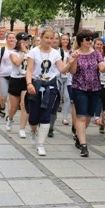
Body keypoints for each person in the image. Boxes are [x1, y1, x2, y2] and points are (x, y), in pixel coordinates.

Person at [26, 27, 68, 156]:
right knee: (33, 117)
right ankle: (33, 132)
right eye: (47, 38)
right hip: (36, 85)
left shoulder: (55, 53)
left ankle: (41, 144)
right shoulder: (33, 52)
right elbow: (29, 69)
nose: (49, 40)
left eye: (52, 38)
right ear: (42, 37)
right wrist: (29, 83)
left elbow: (62, 69)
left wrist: (71, 62)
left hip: (50, 87)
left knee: (46, 115)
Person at [68, 29, 105, 157]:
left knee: (89, 115)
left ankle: (79, 136)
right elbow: (73, 71)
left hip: (95, 88)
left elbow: (102, 69)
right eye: (87, 39)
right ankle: (84, 146)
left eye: (91, 39)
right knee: (81, 116)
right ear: (80, 41)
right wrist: (73, 60)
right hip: (79, 88)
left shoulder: (96, 54)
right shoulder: (75, 53)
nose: (90, 41)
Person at [6, 32, 30, 137]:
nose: (26, 42)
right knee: (14, 107)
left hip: (25, 79)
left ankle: (22, 128)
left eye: (27, 40)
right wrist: (23, 53)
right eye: (23, 40)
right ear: (19, 41)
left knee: (24, 105)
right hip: (15, 80)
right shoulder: (13, 52)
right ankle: (10, 118)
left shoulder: (31, 52)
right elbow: (17, 63)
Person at [0, 32, 16, 120]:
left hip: (14, 76)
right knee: (3, 96)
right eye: (10, 38)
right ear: (7, 40)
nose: (11, 39)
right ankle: (2, 107)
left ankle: (9, 115)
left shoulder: (18, 50)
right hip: (3, 75)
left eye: (13, 38)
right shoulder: (2, 49)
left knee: (12, 97)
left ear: (15, 39)